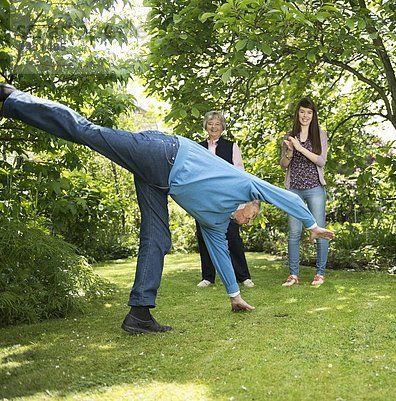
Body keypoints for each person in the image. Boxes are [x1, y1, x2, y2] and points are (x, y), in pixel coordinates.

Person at [0, 84, 334, 333]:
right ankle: (13, 99)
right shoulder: (243, 184)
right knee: (88, 132)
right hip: (161, 152)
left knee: (157, 239)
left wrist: (234, 296)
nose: (249, 221)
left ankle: (139, 315)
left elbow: (220, 256)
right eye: (253, 215)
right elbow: (284, 195)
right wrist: (311, 225)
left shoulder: (216, 223)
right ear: (250, 204)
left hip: (158, 180)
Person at [195, 111, 254, 289]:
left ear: (222, 127)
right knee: (204, 236)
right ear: (206, 126)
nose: (214, 127)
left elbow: (240, 173)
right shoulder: (197, 147)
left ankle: (243, 276)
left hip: (227, 197)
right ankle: (208, 277)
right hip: (204, 198)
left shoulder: (231, 146)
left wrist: (242, 203)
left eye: (217, 124)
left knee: (233, 236)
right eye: (210, 123)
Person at [280, 97, 329, 287]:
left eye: (309, 112)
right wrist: (291, 151)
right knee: (294, 232)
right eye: (302, 112)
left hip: (315, 188)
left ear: (313, 115)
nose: (305, 116)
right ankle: (293, 275)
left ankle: (320, 273)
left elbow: (321, 161)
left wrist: (300, 148)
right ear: (297, 113)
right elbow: (284, 165)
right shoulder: (289, 135)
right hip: (294, 190)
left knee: (319, 230)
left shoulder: (320, 135)